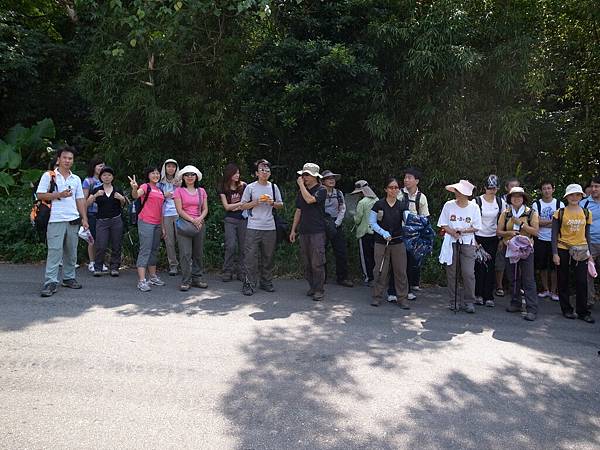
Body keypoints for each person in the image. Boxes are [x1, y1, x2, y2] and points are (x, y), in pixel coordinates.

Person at [37, 147, 89, 297]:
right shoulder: (49, 176)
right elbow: (40, 194)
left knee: (71, 252)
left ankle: (68, 277)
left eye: (70, 158)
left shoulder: (76, 179)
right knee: (55, 252)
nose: (67, 161)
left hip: (73, 218)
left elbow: (80, 199)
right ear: (58, 159)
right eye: (65, 158)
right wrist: (59, 194)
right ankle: (50, 281)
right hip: (55, 219)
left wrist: (84, 218)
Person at [239, 159, 283, 296]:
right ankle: (249, 283)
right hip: (253, 226)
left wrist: (272, 203)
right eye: (262, 170)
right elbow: (243, 205)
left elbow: (281, 205)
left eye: (267, 170)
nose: (265, 172)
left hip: (270, 227)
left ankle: (266, 281)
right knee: (250, 256)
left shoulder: (274, 187)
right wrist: (256, 202)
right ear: (256, 173)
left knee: (268, 256)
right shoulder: (250, 187)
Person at [552, 184, 595, 323]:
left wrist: (589, 254)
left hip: (581, 249)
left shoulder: (587, 212)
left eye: (577, 194)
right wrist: (555, 253)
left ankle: (582, 311)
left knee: (582, 281)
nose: (574, 197)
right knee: (563, 280)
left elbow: (587, 234)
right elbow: (554, 235)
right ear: (567, 196)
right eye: (571, 194)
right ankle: (567, 309)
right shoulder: (560, 212)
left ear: (581, 196)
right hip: (563, 248)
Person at [437, 180, 481, 313]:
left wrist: (463, 231)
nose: (456, 193)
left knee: (468, 273)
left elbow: (477, 227)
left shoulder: (474, 207)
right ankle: (453, 300)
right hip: (451, 242)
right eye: (456, 191)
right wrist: (453, 233)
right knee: (452, 272)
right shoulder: (448, 205)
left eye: (459, 191)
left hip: (467, 243)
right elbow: (443, 224)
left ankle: (469, 301)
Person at [497, 187, 540, 321]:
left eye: (519, 196)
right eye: (513, 196)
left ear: (524, 198)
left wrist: (521, 225)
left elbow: (535, 232)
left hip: (526, 249)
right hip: (509, 247)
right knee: (513, 276)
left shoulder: (531, 213)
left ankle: (531, 308)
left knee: (528, 278)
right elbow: (499, 232)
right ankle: (515, 303)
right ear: (510, 199)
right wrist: (509, 233)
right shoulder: (506, 213)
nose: (516, 199)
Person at [389, 168, 430, 301]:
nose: (406, 180)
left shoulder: (421, 197)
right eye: (405, 177)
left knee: (411, 263)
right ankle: (392, 291)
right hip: (398, 232)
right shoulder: (399, 193)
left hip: (414, 236)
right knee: (396, 263)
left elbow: (425, 217)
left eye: (409, 178)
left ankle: (407, 289)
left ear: (416, 181)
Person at [369, 177, 410, 308]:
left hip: (398, 242)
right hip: (382, 242)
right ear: (386, 189)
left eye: (396, 188)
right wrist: (383, 232)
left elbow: (408, 220)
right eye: (391, 187)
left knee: (401, 271)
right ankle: (377, 296)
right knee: (380, 270)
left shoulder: (402, 205)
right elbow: (372, 222)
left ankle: (402, 298)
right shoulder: (378, 204)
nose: (394, 190)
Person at [290, 163, 327, 301]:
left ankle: (319, 289)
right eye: (303, 174)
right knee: (306, 262)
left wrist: (300, 186)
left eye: (307, 175)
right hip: (304, 231)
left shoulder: (322, 189)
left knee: (317, 262)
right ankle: (312, 286)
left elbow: (310, 200)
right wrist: (293, 230)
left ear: (314, 177)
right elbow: (298, 210)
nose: (303, 177)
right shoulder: (302, 191)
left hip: (317, 231)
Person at [129, 166, 166, 292]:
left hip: (157, 223)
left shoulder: (160, 190)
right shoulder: (145, 186)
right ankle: (141, 280)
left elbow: (161, 210)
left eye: (157, 173)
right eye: (153, 173)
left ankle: (153, 277)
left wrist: (163, 227)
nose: (156, 175)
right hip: (145, 221)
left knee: (154, 250)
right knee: (145, 249)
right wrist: (134, 188)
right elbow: (136, 195)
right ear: (148, 175)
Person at [174, 165, 209, 291]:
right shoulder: (178, 191)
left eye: (192, 175)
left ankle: (197, 278)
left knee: (198, 253)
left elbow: (205, 209)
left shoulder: (202, 191)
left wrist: (199, 219)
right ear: (183, 177)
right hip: (185, 224)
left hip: (200, 224)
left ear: (196, 177)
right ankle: (186, 280)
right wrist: (193, 220)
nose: (190, 177)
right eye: (187, 175)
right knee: (185, 254)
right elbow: (179, 210)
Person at [87, 166, 126, 277]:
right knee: (101, 245)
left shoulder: (117, 189)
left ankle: (114, 267)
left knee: (116, 244)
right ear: (101, 177)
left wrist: (122, 199)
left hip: (116, 220)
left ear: (112, 177)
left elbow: (123, 205)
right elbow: (87, 204)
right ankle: (98, 267)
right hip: (101, 221)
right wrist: (95, 196)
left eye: (109, 175)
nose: (107, 177)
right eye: (104, 175)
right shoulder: (97, 189)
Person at [473, 175, 503, 307]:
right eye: (490, 188)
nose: (492, 190)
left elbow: (503, 221)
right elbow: (472, 220)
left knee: (490, 266)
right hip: (478, 236)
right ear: (485, 188)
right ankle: (478, 295)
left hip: (493, 237)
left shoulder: (501, 202)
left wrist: (502, 239)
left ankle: (488, 296)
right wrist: (473, 239)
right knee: (478, 266)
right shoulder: (477, 201)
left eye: (494, 188)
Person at [531, 181, 563, 301]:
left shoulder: (560, 204)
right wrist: (553, 221)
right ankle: (545, 289)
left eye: (549, 188)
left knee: (555, 267)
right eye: (544, 188)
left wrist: (545, 222)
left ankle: (554, 291)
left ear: (553, 189)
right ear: (541, 191)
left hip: (556, 240)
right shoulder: (536, 204)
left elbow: (561, 222)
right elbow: (536, 222)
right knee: (542, 266)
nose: (547, 191)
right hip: (540, 239)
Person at [321, 170, 353, 287]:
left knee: (341, 251)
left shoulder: (338, 193)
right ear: (323, 181)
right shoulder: (320, 193)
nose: (331, 180)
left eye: (333, 178)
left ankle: (342, 277)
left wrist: (337, 223)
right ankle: (321, 277)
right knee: (321, 251)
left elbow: (342, 208)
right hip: (322, 224)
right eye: (328, 178)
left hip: (336, 223)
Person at [218, 163, 247, 282]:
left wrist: (236, 206)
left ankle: (241, 271)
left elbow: (248, 202)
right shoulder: (223, 187)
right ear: (229, 174)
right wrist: (239, 205)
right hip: (230, 220)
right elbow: (226, 206)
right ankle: (227, 271)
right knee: (230, 245)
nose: (237, 175)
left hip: (243, 219)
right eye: (235, 173)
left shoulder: (244, 186)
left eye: (238, 173)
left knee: (243, 246)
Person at [495, 177, 520, 297]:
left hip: (518, 237)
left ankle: (515, 287)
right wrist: (501, 238)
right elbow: (498, 221)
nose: (514, 189)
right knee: (501, 262)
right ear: (506, 188)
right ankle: (499, 286)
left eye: (516, 186)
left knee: (517, 263)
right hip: (504, 235)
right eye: (511, 186)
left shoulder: (522, 201)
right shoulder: (500, 201)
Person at [351, 180, 378, 286]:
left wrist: (353, 216)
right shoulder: (377, 200)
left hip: (364, 232)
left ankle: (369, 277)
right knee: (376, 256)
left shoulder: (362, 202)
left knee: (366, 257)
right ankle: (377, 277)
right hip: (376, 232)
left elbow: (357, 219)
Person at [82, 157, 105, 272]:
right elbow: (83, 201)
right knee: (92, 239)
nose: (102, 168)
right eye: (100, 166)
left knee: (103, 239)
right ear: (94, 167)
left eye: (103, 166)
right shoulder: (88, 181)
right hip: (92, 213)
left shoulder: (106, 180)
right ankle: (92, 262)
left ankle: (100, 261)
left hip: (104, 213)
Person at [158, 158, 180, 276]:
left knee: (182, 240)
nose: (171, 168)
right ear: (164, 168)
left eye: (173, 166)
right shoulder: (159, 183)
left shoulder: (181, 181)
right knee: (169, 241)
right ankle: (173, 266)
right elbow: (155, 198)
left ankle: (187, 264)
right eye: (168, 166)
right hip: (165, 214)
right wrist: (163, 195)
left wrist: (179, 188)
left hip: (179, 213)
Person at [581, 176, 600, 308]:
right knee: (588, 273)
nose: (593, 189)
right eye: (592, 186)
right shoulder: (584, 204)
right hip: (589, 241)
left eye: (597, 186)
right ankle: (589, 300)